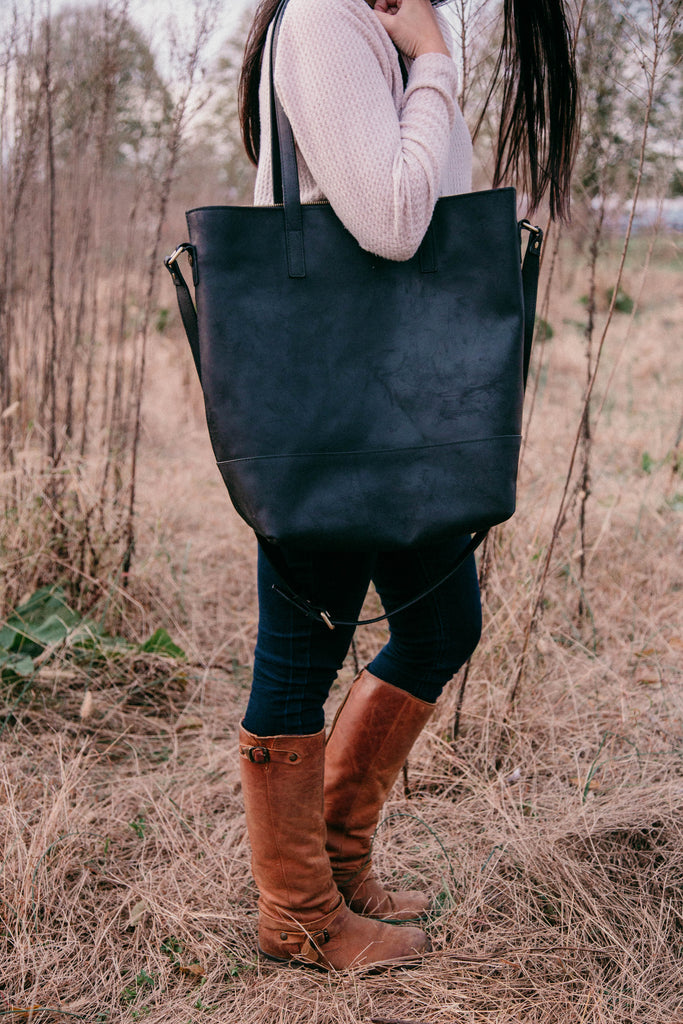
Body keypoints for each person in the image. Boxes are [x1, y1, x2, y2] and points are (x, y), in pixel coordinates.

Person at [236, 0, 578, 971]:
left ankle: (337, 863)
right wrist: (433, 63)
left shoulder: (374, 26)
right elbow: (391, 220)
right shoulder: (320, 21)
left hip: (394, 401)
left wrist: (421, 56)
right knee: (301, 652)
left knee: (439, 624)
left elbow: (432, 200)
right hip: (334, 406)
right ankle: (297, 912)